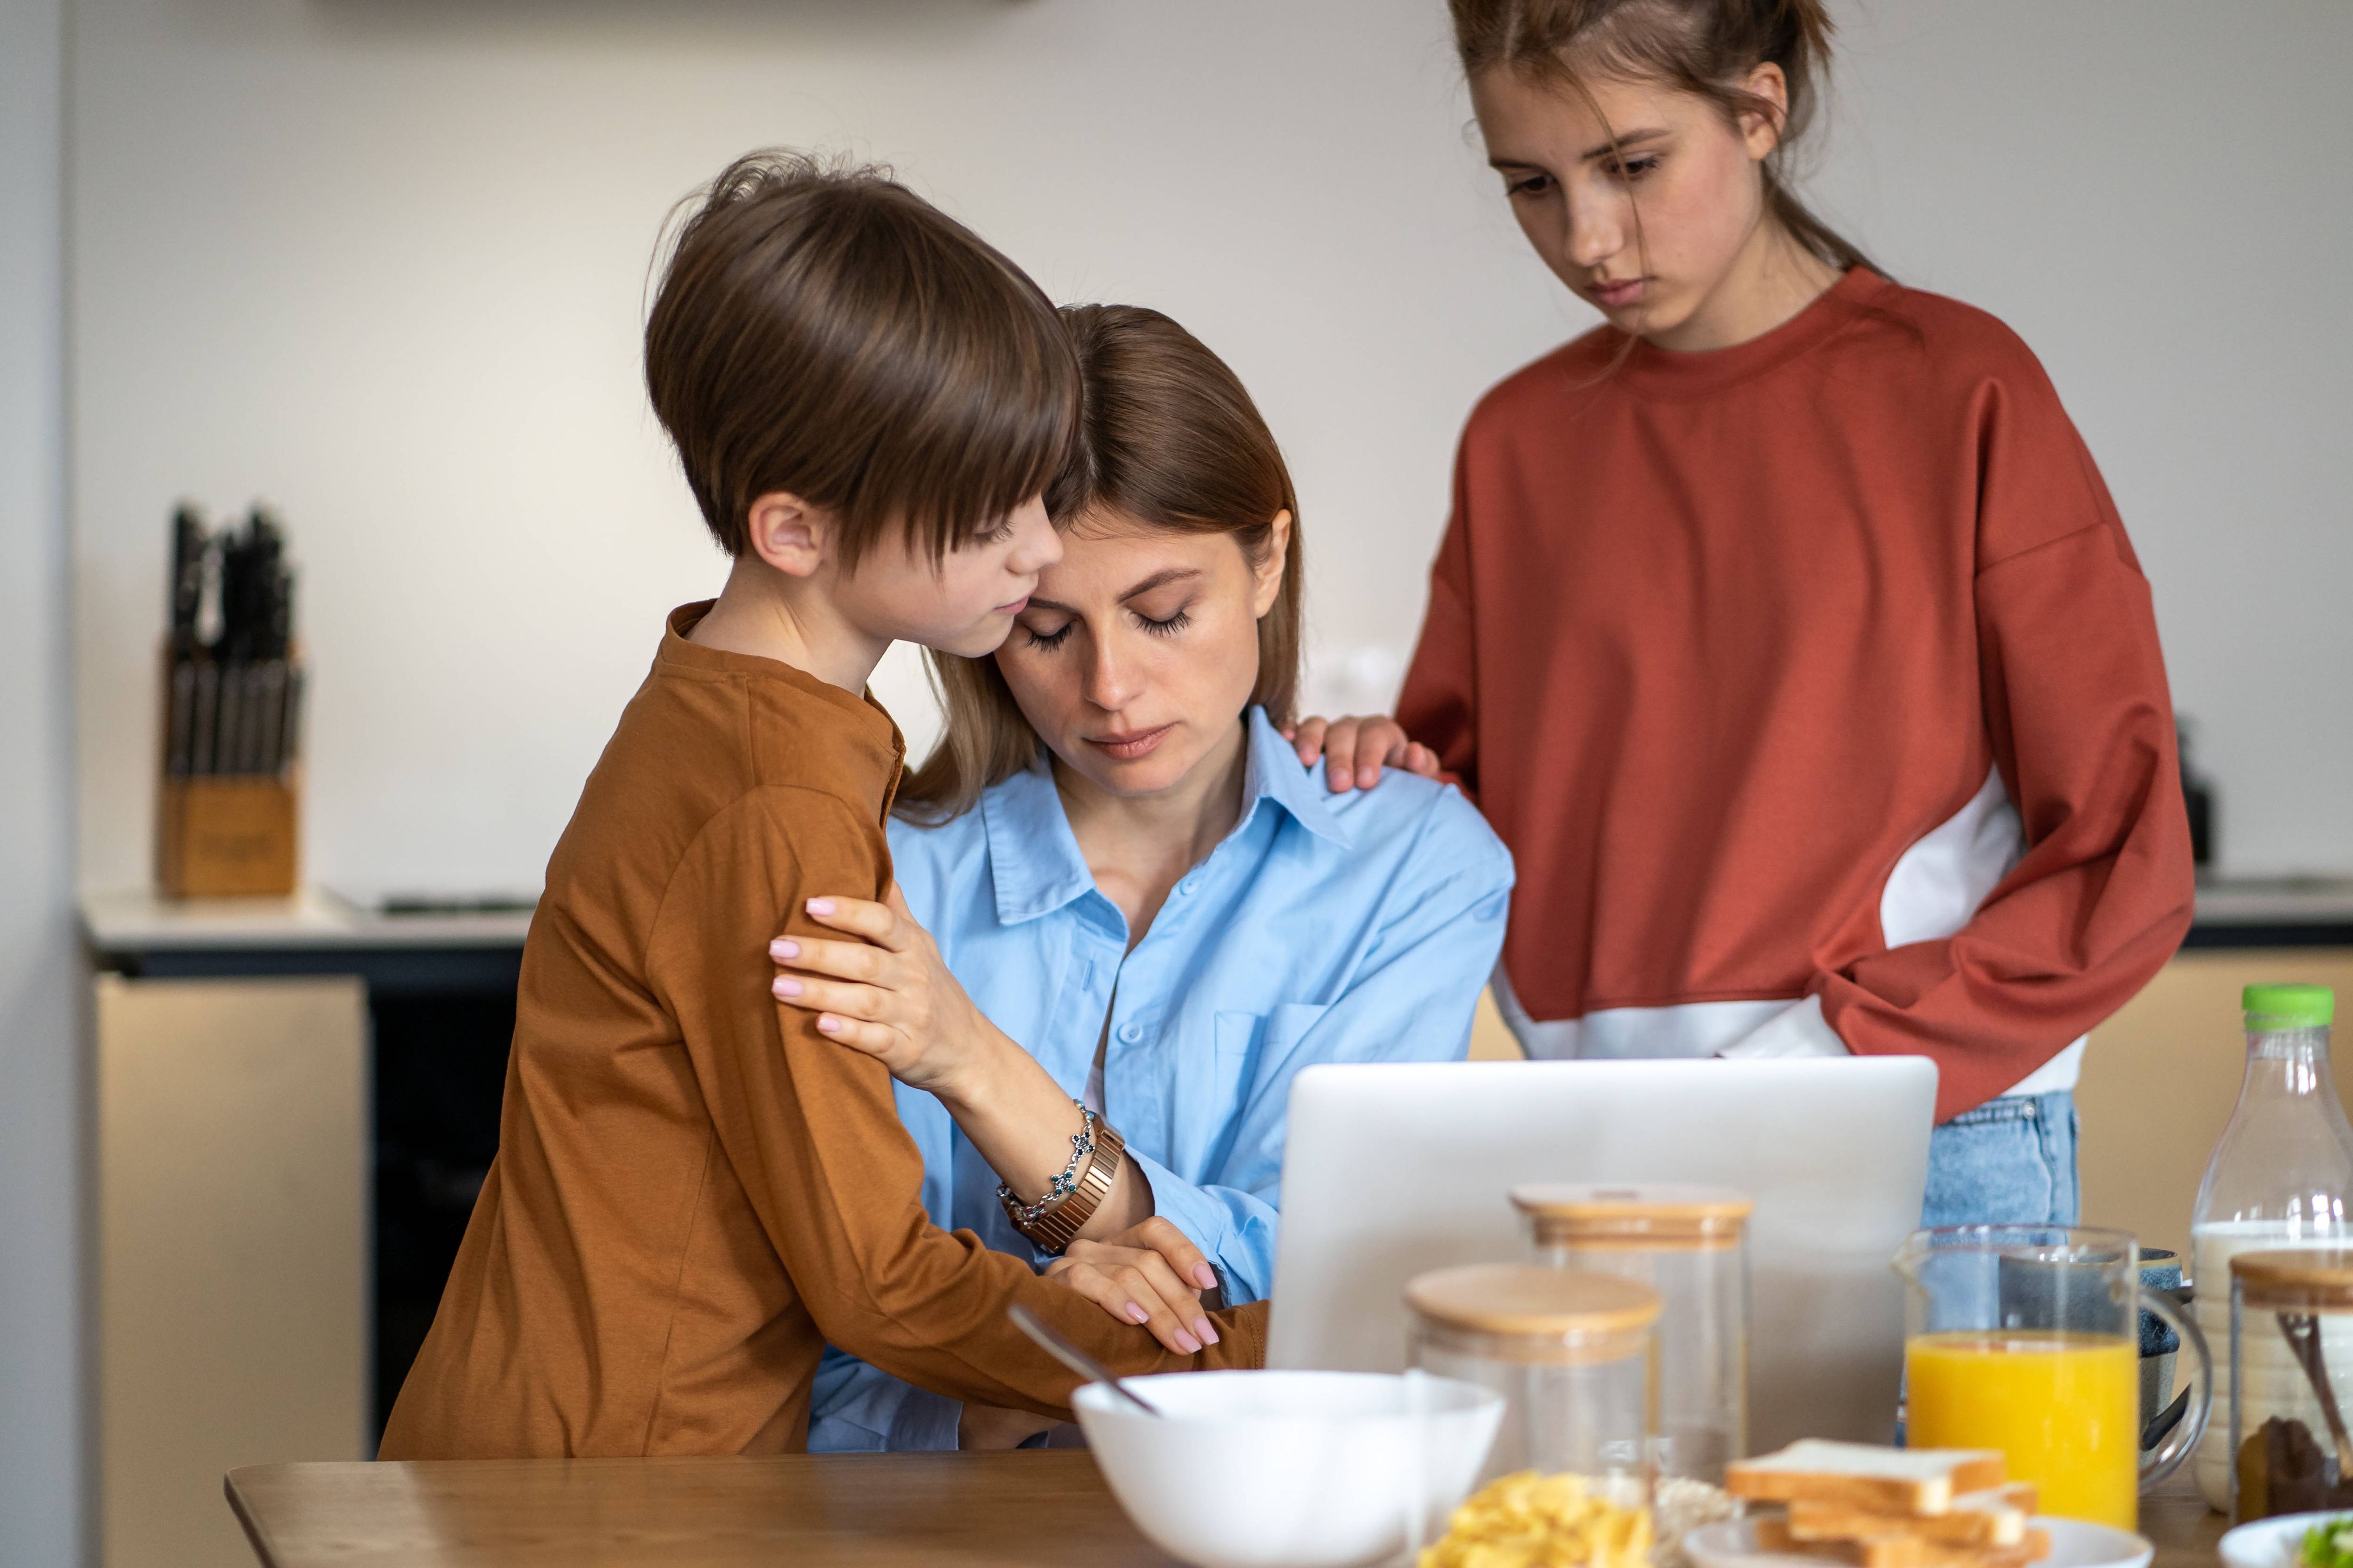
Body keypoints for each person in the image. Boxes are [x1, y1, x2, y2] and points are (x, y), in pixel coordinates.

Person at [378, 156, 1269, 1462]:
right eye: (986, 514)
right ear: (794, 531)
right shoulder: (776, 800)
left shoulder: (727, 709)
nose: (1034, 551)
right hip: (595, 1490)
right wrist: (1231, 1350)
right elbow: (877, 1281)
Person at [1293, 0, 2194, 1229]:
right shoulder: (1517, 441)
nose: (1585, 235)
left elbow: (2121, 854)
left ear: (1757, 110)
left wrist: (1819, 1063)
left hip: (1914, 1128)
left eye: (1629, 166)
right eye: (1530, 185)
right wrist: (1372, 770)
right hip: (1596, 1144)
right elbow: (1457, 816)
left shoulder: (1958, 388)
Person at [765, 304, 1514, 1450]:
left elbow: (1317, 1269)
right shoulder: (887, 872)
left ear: (1267, 561)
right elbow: (831, 1337)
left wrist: (971, 1066)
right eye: (1045, 629)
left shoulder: (1414, 864)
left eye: (1163, 613)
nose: (1110, 686)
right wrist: (1002, 1369)